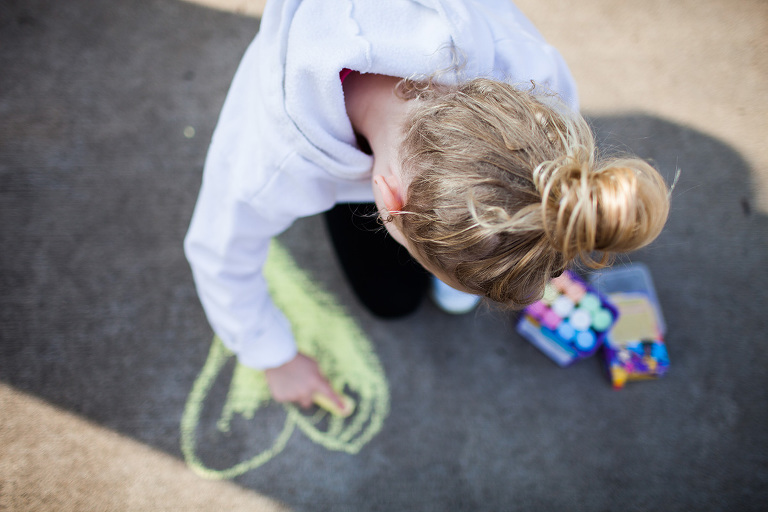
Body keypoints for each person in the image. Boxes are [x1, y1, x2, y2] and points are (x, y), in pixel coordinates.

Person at [184, 0, 670, 410]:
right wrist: (274, 356)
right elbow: (217, 250)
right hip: (338, 154)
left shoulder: (537, 83)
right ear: (386, 202)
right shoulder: (270, 161)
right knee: (391, 301)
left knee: (429, 284)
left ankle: (455, 263)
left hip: (392, 156)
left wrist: (536, 234)